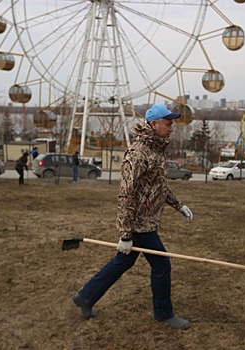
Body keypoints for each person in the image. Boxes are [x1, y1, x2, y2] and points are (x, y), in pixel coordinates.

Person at [71, 104, 194, 330]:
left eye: (172, 123)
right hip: (139, 224)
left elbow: (158, 186)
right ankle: (164, 314)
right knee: (162, 265)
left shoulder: (155, 150)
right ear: (154, 124)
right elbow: (126, 195)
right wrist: (126, 234)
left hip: (145, 221)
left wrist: (179, 206)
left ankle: (85, 296)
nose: (171, 127)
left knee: (122, 262)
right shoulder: (138, 154)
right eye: (168, 123)